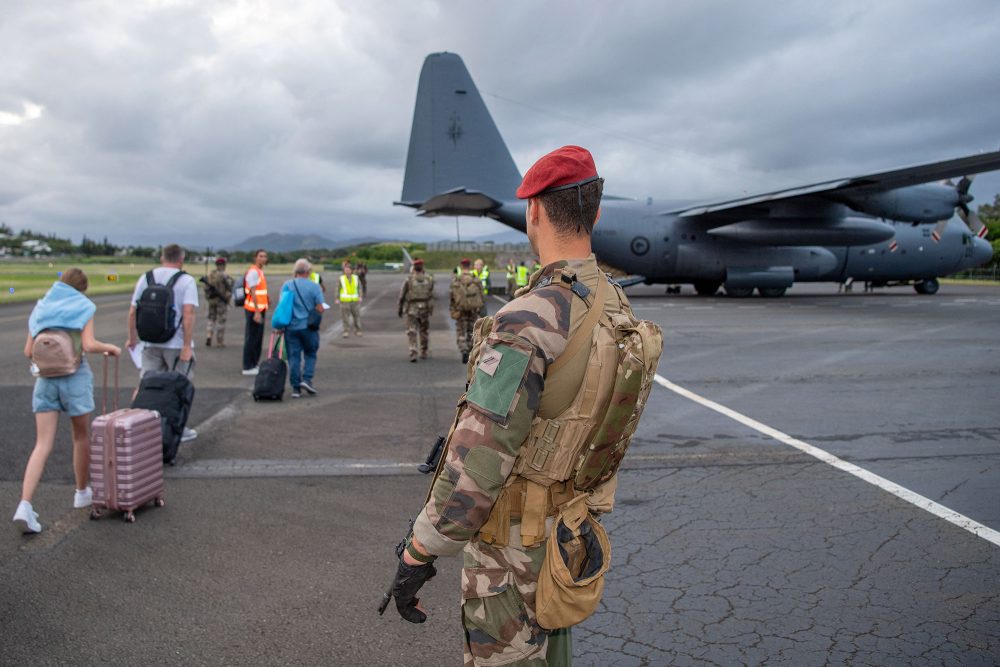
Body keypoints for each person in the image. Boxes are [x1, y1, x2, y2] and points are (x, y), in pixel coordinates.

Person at [387, 146, 662, 665]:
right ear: (595, 213)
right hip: (567, 536)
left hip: (512, 554)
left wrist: (418, 551)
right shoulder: (613, 303)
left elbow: (480, 462)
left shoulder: (529, 318)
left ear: (533, 211)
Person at [13, 268, 122, 534]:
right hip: (75, 376)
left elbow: (29, 351)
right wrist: (110, 347)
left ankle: (25, 504)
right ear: (82, 288)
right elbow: (88, 343)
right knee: (80, 436)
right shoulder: (84, 306)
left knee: (42, 444)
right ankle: (81, 491)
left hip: (45, 380)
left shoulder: (41, 306)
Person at [127, 243, 198, 379]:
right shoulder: (187, 280)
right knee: (179, 387)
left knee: (147, 385)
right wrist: (187, 346)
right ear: (181, 260)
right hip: (176, 343)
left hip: (150, 342)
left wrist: (132, 338)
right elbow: (188, 313)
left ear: (162, 258)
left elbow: (132, 311)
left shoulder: (146, 278)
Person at [276, 259, 324, 398]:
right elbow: (320, 307)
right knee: (310, 353)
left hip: (291, 327)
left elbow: (283, 307)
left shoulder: (287, 285)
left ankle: (295, 388)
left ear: (295, 271)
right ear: (308, 272)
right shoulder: (315, 287)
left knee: (293, 357)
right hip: (308, 327)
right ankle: (307, 379)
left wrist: (280, 326)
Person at [397, 258, 434, 362]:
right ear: (422, 268)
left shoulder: (409, 280)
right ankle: (424, 351)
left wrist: (400, 309)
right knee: (424, 331)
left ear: (414, 268)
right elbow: (431, 294)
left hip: (412, 309)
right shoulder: (429, 279)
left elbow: (402, 295)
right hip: (425, 308)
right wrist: (430, 309)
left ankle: (413, 352)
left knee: (412, 331)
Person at [449, 258, 483, 364]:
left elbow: (452, 296)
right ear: (470, 266)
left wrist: (453, 308)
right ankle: (470, 351)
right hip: (473, 309)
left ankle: (463, 350)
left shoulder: (456, 280)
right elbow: (481, 295)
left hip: (461, 309)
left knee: (461, 330)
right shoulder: (476, 279)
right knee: (471, 330)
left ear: (461, 266)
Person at [241, 249, 269, 375]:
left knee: (257, 338)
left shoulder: (259, 271)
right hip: (253, 309)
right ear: (255, 258)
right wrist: (257, 312)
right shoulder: (253, 272)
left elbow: (260, 291)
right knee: (252, 338)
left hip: (260, 308)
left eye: (265, 256)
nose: (263, 259)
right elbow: (253, 292)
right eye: (261, 256)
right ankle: (248, 365)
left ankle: (254, 363)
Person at [202, 257, 234, 347]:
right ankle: (220, 341)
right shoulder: (224, 275)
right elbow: (230, 286)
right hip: (221, 301)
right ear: (224, 265)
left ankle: (209, 335)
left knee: (211, 319)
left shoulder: (210, 274)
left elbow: (206, 288)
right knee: (221, 320)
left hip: (211, 300)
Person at [337, 263, 363, 338]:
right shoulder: (341, 278)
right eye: (346, 270)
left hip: (355, 301)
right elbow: (338, 288)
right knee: (345, 317)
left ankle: (358, 330)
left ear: (351, 270)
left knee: (356, 317)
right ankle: (345, 331)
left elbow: (359, 288)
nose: (347, 271)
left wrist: (360, 296)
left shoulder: (356, 278)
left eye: (348, 270)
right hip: (344, 301)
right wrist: (337, 298)